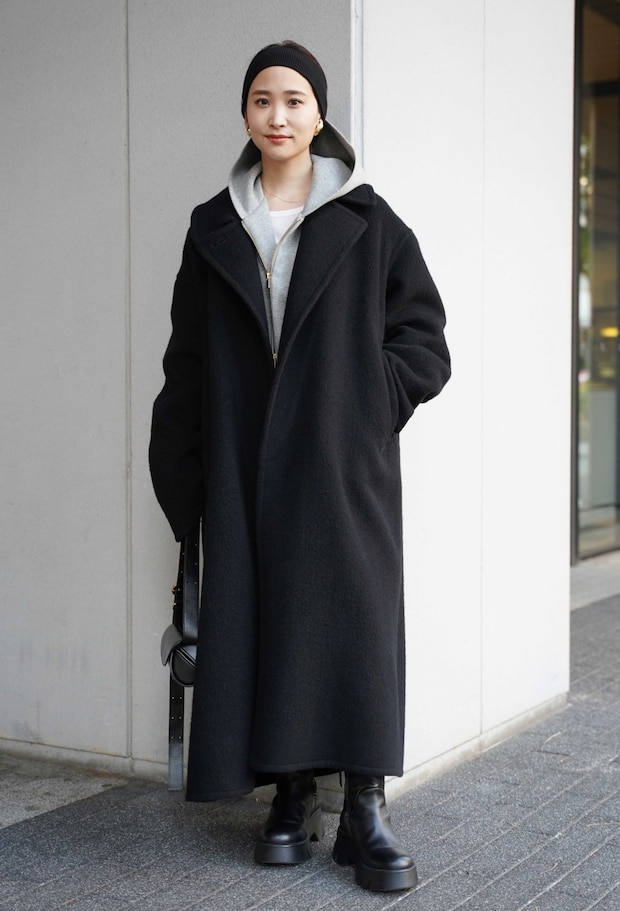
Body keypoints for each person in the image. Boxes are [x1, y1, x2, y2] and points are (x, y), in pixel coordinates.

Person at [149, 40, 451, 893]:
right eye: (261, 100)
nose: (277, 116)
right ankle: (288, 796)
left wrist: (364, 404)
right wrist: (185, 470)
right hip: (246, 463)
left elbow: (424, 340)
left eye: (293, 100)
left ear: (319, 114)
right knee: (269, 623)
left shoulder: (369, 221)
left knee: (355, 625)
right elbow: (188, 358)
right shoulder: (214, 225)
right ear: (245, 114)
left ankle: (364, 809)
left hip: (341, 465)